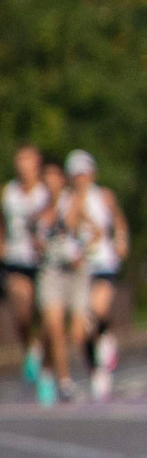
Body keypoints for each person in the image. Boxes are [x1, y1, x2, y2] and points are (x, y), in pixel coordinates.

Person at [67, 152, 126, 399]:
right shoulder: (67, 201)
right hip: (79, 268)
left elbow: (118, 222)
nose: (81, 179)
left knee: (98, 311)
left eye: (85, 174)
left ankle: (106, 340)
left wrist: (122, 241)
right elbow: (69, 226)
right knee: (80, 331)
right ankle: (95, 370)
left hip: (103, 262)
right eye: (77, 175)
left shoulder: (104, 196)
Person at [33, 161, 85, 403]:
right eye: (47, 177)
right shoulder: (37, 209)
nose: (51, 181)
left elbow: (75, 226)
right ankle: (63, 381)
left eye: (55, 176)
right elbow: (36, 243)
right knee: (54, 327)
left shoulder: (71, 200)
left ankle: (44, 362)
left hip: (74, 272)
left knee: (75, 333)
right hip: (50, 272)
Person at [6, 145, 47, 393]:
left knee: (45, 314)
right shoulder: (9, 192)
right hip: (17, 258)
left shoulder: (46, 192)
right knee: (21, 314)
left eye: (27, 159)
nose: (23, 164)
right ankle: (30, 348)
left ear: (37, 162)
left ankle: (44, 355)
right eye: (19, 159)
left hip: (43, 261)